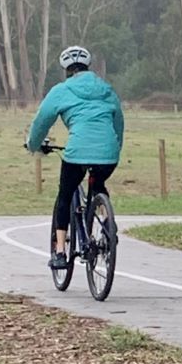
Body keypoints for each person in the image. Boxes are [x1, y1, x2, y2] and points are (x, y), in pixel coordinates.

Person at [27, 46, 124, 270]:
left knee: (65, 194)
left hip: (78, 151)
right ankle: (108, 224)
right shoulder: (106, 89)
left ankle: (60, 252)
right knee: (98, 184)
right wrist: (115, 147)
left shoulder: (61, 90)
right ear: (88, 66)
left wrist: (33, 145)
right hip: (109, 152)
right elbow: (118, 122)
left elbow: (42, 121)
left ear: (66, 70)